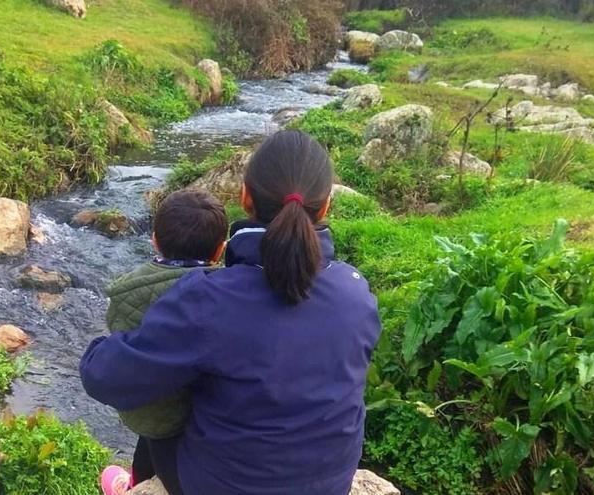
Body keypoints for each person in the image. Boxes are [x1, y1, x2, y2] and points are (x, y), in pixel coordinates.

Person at [81, 130, 382, 495]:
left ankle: (135, 486)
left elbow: (106, 378)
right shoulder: (356, 290)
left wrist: (100, 346)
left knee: (161, 417)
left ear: (245, 197)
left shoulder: (209, 298)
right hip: (329, 483)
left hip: (225, 485)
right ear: (326, 206)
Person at [103, 189, 228, 490]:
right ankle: (140, 482)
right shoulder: (228, 291)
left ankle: (136, 484)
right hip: (209, 415)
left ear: (155, 239)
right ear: (220, 250)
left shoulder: (126, 291)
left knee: (155, 435)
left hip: (153, 413)